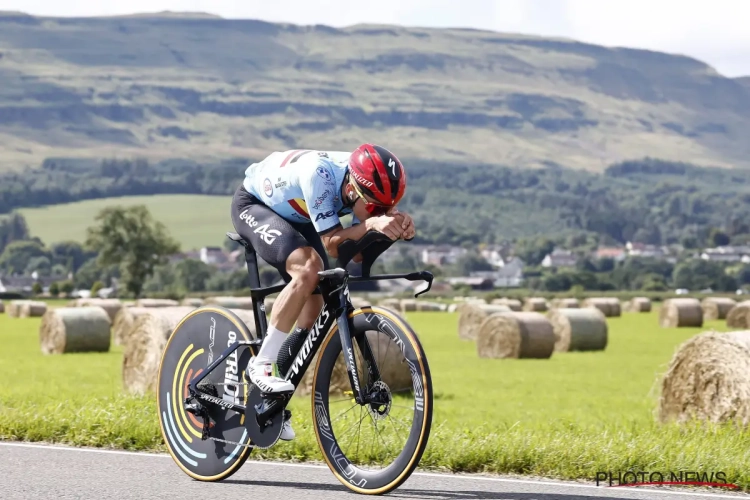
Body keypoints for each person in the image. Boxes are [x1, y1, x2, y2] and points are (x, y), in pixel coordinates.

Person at [230, 144, 416, 440]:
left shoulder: (365, 192)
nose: (381, 211)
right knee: (308, 269)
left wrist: (392, 229)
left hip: (300, 218)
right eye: (376, 206)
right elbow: (332, 243)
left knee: (314, 308)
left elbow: (353, 255)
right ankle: (262, 364)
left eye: (388, 206)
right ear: (353, 190)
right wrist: (371, 224)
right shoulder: (321, 175)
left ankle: (268, 399)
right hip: (255, 205)